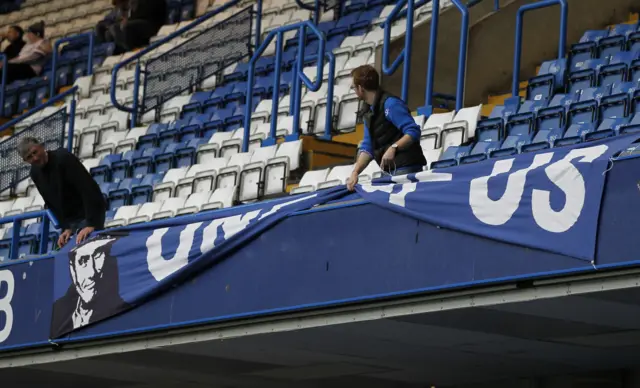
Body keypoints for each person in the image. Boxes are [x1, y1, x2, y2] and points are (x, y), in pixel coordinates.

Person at [346, 65, 426, 191]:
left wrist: (394, 147)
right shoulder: (368, 111)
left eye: (353, 88)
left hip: (406, 167)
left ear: (361, 88)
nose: (355, 91)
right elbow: (367, 147)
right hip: (389, 171)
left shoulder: (391, 104)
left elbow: (413, 131)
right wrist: (355, 172)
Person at [18, 137, 107, 248]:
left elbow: (88, 188)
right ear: (25, 161)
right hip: (71, 221)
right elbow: (50, 201)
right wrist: (66, 227)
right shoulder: (35, 173)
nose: (35, 158)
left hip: (88, 215)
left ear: (42, 146)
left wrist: (91, 223)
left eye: (35, 152)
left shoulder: (63, 158)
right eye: (29, 157)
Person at [51, 234, 128, 337]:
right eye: (83, 261)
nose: (92, 272)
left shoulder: (123, 311)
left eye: (97, 257)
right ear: (73, 269)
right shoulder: (58, 310)